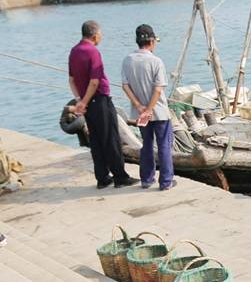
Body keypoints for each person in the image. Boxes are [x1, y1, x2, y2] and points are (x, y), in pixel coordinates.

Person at [68, 20, 137, 189]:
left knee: (96, 141)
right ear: (95, 35)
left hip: (87, 102)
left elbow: (71, 80)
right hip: (99, 101)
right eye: (101, 34)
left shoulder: (74, 51)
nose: (101, 37)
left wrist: (79, 100)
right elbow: (94, 81)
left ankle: (102, 178)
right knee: (111, 139)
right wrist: (84, 101)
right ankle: (120, 177)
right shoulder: (93, 52)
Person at [122, 24, 176, 191]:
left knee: (146, 144)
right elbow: (158, 89)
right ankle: (166, 181)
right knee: (164, 145)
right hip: (158, 111)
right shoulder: (156, 61)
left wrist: (139, 106)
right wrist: (149, 109)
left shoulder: (128, 60)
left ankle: (146, 179)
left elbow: (125, 86)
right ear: (152, 41)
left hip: (139, 112)